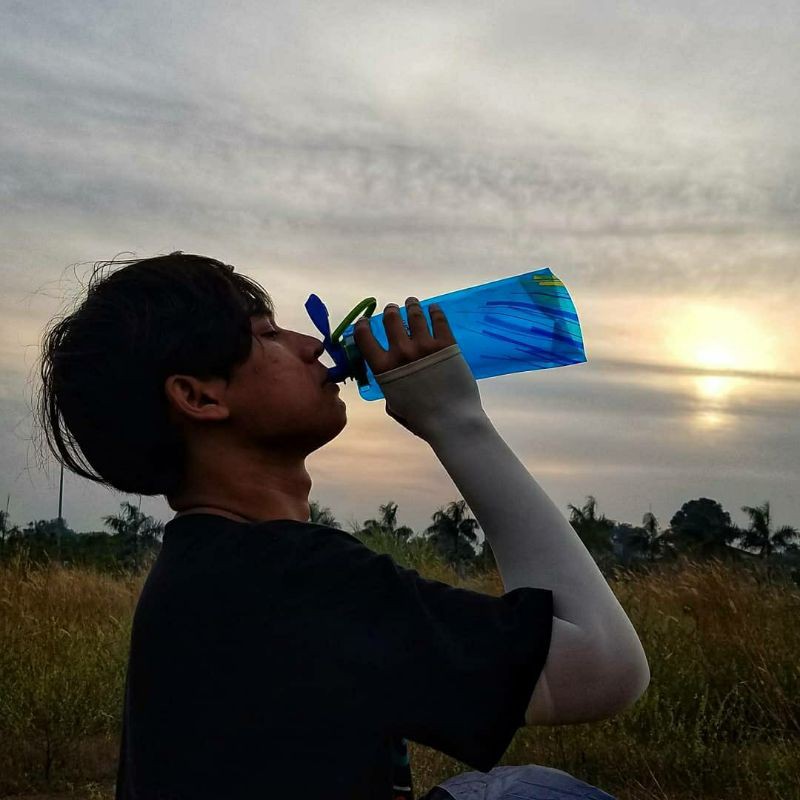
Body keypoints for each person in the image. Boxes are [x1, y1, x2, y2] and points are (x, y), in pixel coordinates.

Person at [35, 252, 649, 799]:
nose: (311, 345)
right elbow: (605, 668)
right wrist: (456, 420)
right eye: (266, 333)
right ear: (200, 398)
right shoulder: (291, 580)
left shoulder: (204, 565)